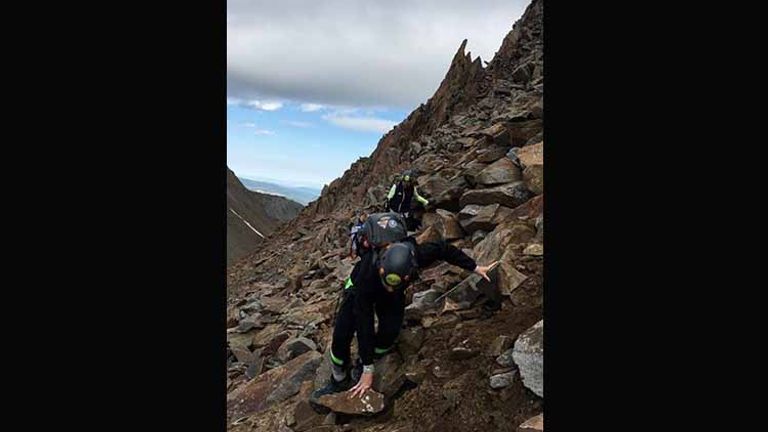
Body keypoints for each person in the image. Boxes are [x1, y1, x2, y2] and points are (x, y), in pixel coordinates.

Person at [310, 216, 497, 410]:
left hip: (392, 291)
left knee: (390, 331)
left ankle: (368, 359)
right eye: (388, 284)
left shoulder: (416, 255)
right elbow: (363, 322)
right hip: (360, 289)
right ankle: (338, 378)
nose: (390, 288)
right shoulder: (367, 272)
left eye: (395, 284)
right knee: (342, 333)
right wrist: (368, 370)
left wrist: (475, 267)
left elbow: (444, 249)